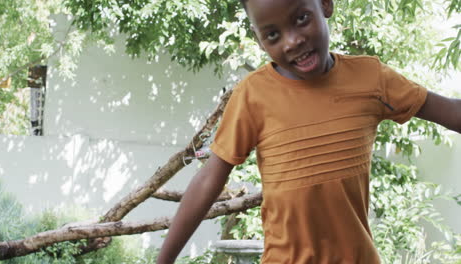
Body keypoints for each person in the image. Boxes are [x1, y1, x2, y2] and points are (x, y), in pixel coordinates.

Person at [157, 0, 461, 263]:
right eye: (273, 34)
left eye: (301, 19)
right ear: (260, 40)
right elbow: (210, 177)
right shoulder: (253, 95)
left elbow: (448, 110)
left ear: (325, 5)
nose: (292, 41)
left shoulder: (371, 78)